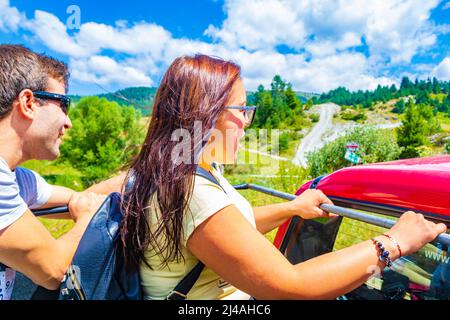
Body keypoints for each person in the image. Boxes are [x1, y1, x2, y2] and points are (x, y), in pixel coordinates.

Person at [120, 54, 448, 300]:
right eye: (242, 110)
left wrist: (292, 208)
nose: (247, 123)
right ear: (207, 114)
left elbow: (232, 229)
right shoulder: (190, 189)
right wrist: (394, 242)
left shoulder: (190, 171)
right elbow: (291, 286)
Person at [0, 45, 123, 300]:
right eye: (64, 105)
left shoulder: (18, 179)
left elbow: (78, 198)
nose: (69, 122)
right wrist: (88, 219)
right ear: (28, 103)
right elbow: (54, 270)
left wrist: (144, 176)